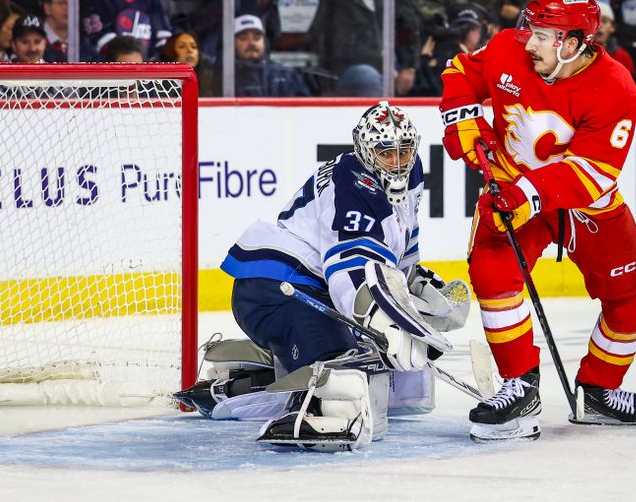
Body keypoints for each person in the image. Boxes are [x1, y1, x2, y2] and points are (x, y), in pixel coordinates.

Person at [175, 101, 470, 452]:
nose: (396, 161)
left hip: (314, 291)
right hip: (277, 290)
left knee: (399, 385)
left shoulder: (411, 170)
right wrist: (387, 324)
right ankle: (253, 394)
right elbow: (347, 268)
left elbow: (400, 241)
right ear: (364, 149)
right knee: (343, 382)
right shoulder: (353, 185)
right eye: (385, 152)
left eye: (404, 151)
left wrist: (414, 289)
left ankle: (261, 374)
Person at [439, 0, 636, 442]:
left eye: (544, 35)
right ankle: (520, 386)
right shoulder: (506, 48)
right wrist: (462, 119)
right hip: (511, 189)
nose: (529, 41)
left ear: (575, 43)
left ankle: (599, 389)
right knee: (492, 274)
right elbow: (460, 71)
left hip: (582, 203)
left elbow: (593, 172)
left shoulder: (617, 87)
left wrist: (526, 192)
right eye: (531, 29)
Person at [80, 0, 172, 60]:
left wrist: (148, 62)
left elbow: (163, 38)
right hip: (111, 72)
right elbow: (98, 42)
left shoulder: (150, 0)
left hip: (147, 71)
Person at [233, 14, 310, 97]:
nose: (251, 43)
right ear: (233, 43)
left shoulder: (286, 75)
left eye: (257, 37)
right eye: (243, 38)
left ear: (264, 41)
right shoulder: (226, 76)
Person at [159, 30, 216, 96]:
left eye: (194, 46)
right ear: (170, 51)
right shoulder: (159, 86)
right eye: (182, 46)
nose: (190, 50)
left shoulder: (207, 80)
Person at [595, 1, 635, 75]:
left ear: (612, 27)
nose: (599, 26)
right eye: (596, 21)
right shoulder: (577, 55)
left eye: (604, 21)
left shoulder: (623, 57)